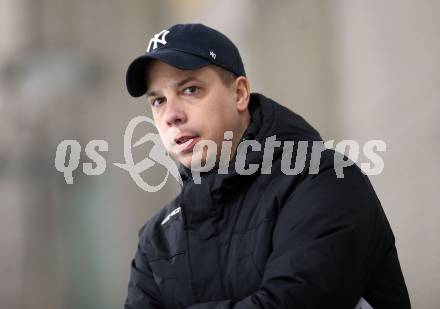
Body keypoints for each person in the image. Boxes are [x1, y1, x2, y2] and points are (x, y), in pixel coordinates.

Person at [123, 23, 411, 309]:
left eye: (190, 89)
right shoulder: (157, 242)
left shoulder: (323, 179)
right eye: (158, 100)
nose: (171, 115)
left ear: (239, 94)